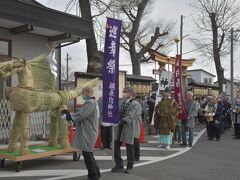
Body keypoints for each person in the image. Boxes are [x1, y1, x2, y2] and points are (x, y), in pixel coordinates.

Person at [62, 86, 100, 180]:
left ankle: (93, 176)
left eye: (83, 93)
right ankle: (96, 173)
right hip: (91, 130)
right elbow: (82, 113)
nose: (82, 95)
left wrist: (68, 117)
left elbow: (82, 114)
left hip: (88, 132)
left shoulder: (90, 102)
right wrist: (71, 115)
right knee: (89, 153)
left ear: (88, 92)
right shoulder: (94, 102)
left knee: (87, 155)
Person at [111, 86, 141, 174]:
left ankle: (129, 166)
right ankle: (119, 164)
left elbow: (130, 116)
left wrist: (120, 121)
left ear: (131, 93)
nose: (124, 93)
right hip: (120, 127)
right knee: (116, 145)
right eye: (123, 91)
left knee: (129, 146)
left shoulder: (135, 103)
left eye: (125, 91)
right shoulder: (122, 102)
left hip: (129, 127)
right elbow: (117, 112)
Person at [133, 97, 143, 161]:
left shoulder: (136, 103)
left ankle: (136, 156)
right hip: (135, 122)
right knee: (134, 140)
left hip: (135, 122)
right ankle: (135, 155)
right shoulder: (138, 102)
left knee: (135, 140)